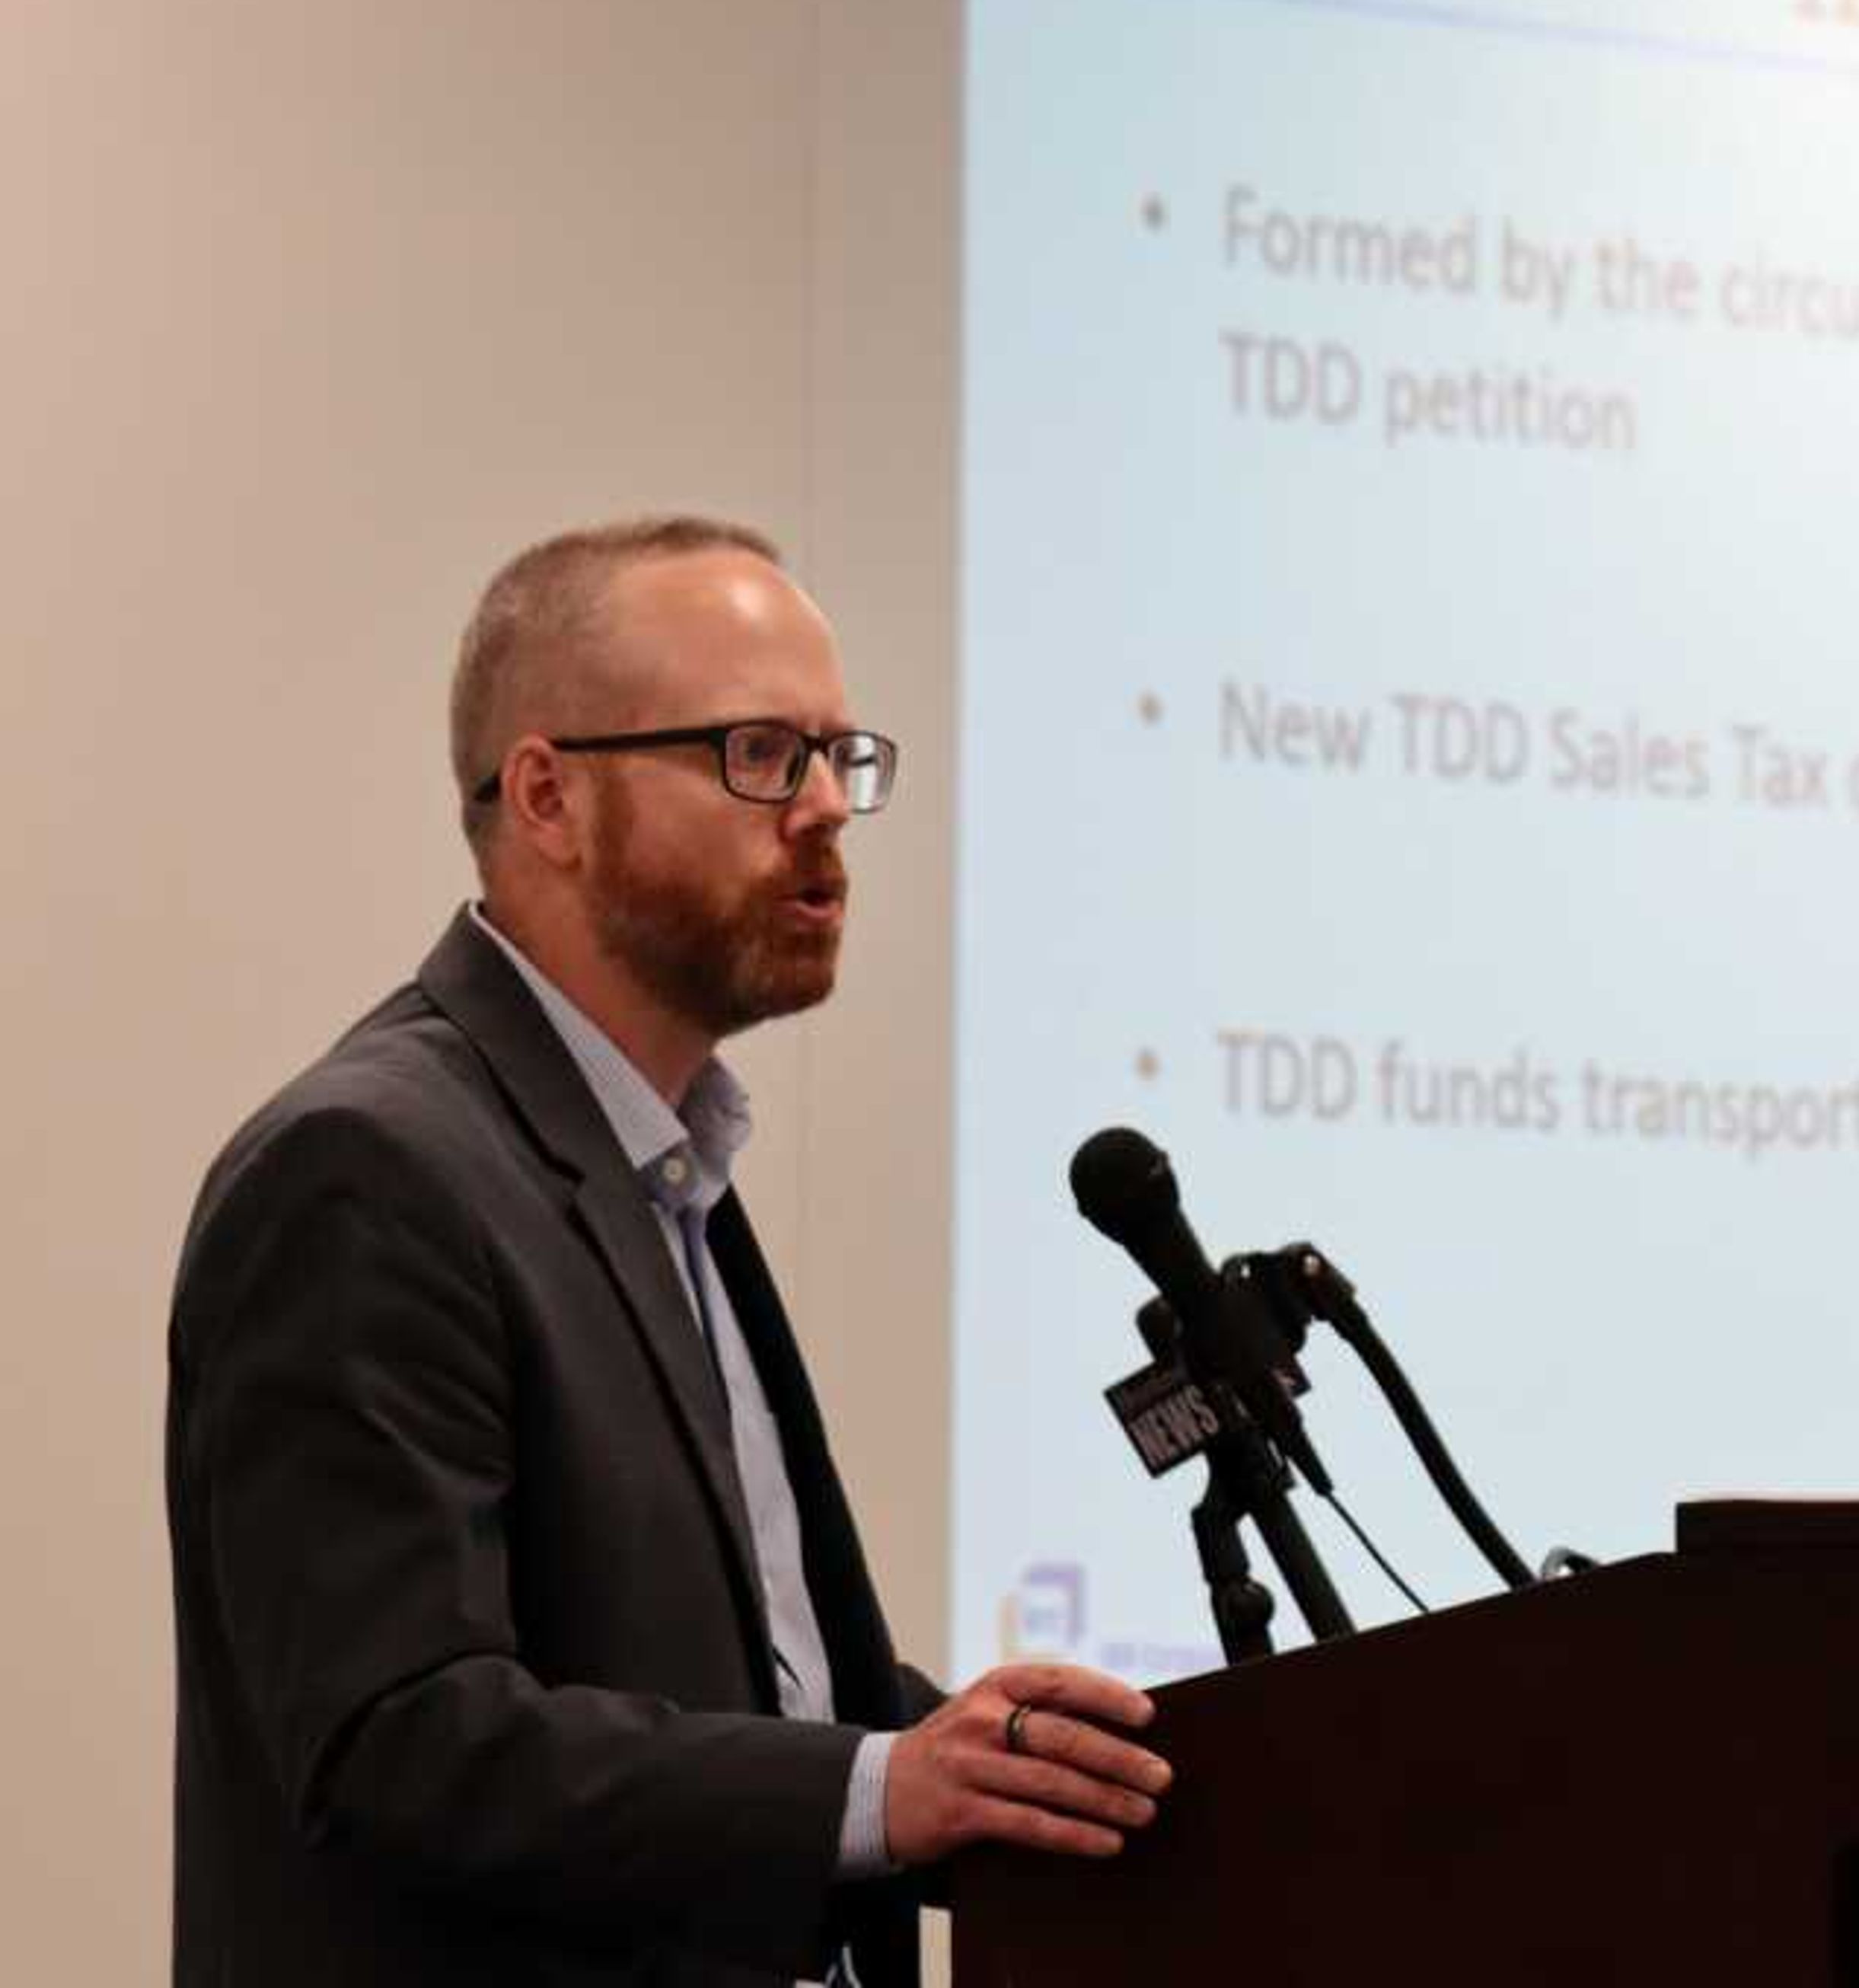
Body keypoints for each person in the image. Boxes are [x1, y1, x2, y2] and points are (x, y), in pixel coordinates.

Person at [166, 518, 1170, 1986]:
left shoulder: (661, 1164)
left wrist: (984, 1762)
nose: (825, 806)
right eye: (760, 752)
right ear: (549, 796)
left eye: (841, 756)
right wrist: (882, 1789)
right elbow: (400, 1737)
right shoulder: (367, 1172)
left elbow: (715, 1676)